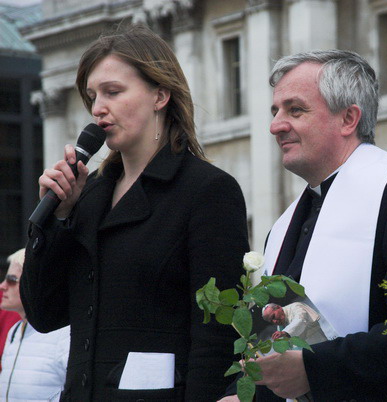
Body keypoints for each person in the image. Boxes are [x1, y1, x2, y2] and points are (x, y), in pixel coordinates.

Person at [20, 24, 249, 401]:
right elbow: (44, 315)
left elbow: (216, 336)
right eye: (92, 96)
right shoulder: (89, 194)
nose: (98, 109)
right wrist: (56, 218)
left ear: (160, 95)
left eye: (113, 92)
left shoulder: (206, 190)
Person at [222, 50, 387, 401]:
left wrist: (315, 369)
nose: (275, 125)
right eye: (275, 111)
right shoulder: (284, 226)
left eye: (295, 110)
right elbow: (277, 343)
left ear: (348, 119)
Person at [0, 249, 70, 401]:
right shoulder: (15, 330)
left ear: (33, 283)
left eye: (12, 280)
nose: (2, 286)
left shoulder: (64, 333)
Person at [262, 302, 328, 344]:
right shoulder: (280, 327)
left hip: (319, 341)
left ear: (278, 307)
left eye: (273, 316)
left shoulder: (296, 307)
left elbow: (300, 320)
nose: (274, 321)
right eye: (271, 321)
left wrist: (284, 332)